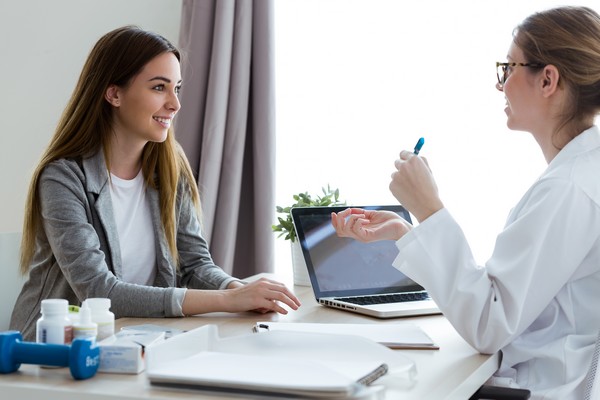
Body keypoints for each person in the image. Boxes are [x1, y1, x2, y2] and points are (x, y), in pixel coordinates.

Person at [331, 6, 600, 399]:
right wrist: (409, 232)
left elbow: (490, 323)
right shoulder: (581, 170)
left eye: (508, 67)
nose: (500, 85)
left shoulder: (568, 188)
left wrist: (429, 208)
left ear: (547, 79)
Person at [10, 26, 300, 342]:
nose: (175, 104)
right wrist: (228, 301)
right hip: (54, 354)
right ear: (114, 94)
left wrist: (238, 289)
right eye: (159, 88)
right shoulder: (62, 179)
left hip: (137, 340)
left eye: (176, 88)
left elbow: (195, 266)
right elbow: (99, 291)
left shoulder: (169, 169)